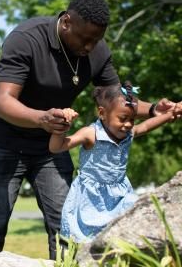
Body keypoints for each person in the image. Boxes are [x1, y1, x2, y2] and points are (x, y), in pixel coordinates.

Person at [0, 0, 178, 260]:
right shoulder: (26, 39)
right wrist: (41, 119)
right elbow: (3, 100)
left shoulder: (97, 50)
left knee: (66, 223)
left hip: (52, 145)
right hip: (4, 140)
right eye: (85, 39)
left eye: (96, 40)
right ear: (67, 22)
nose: (90, 46)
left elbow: (117, 100)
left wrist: (153, 110)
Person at [49, 82, 182, 243]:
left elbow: (145, 126)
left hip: (120, 195)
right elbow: (56, 148)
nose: (128, 124)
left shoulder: (128, 134)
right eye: (123, 118)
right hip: (91, 198)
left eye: (132, 119)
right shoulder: (91, 134)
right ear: (102, 113)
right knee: (87, 240)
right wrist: (61, 128)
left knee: (124, 236)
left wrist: (170, 114)